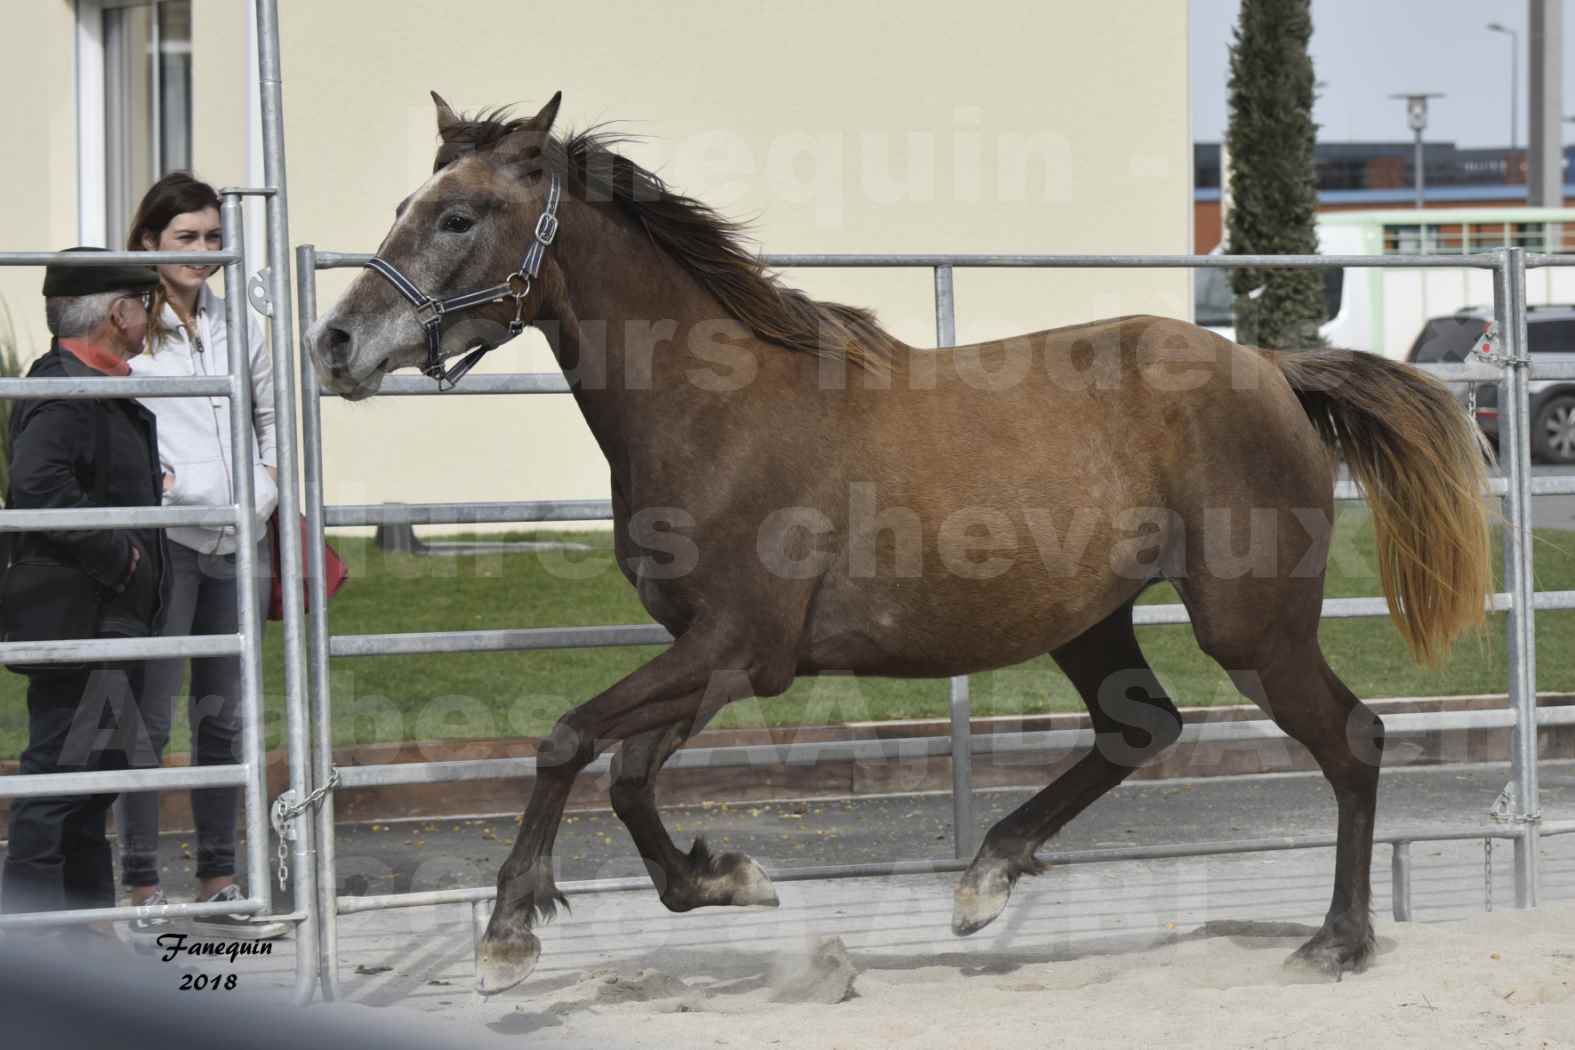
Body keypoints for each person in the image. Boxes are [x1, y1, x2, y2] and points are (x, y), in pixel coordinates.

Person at [117, 172, 286, 941]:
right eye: (186, 238)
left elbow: (269, 412)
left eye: (214, 238)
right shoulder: (127, 323)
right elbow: (111, 418)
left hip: (237, 542)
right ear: (150, 242)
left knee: (223, 717)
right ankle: (140, 884)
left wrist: (267, 484)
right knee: (147, 716)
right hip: (166, 544)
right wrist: (165, 488)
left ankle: (221, 878)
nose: (203, 252)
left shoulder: (238, 321)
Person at [1, 249, 168, 919]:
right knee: (58, 783)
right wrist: (121, 556)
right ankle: (35, 949)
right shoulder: (64, 387)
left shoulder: (95, 383)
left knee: (90, 782)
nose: (150, 318)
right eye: (144, 305)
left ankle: (85, 931)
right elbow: (38, 485)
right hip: (80, 618)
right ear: (119, 312)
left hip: (104, 618)